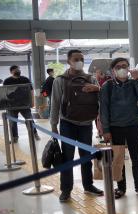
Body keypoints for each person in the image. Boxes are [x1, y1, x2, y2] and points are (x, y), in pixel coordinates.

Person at [50, 49, 104, 202]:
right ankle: (66, 189)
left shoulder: (91, 79)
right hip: (68, 124)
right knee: (67, 158)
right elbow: (55, 103)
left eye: (81, 58)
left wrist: (101, 125)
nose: (79, 61)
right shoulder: (60, 80)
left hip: (86, 123)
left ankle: (88, 185)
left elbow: (100, 100)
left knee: (85, 156)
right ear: (68, 61)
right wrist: (54, 125)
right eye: (76, 59)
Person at [100, 58, 138, 199]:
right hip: (115, 128)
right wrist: (106, 130)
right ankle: (121, 188)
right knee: (118, 159)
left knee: (136, 158)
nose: (122, 69)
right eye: (118, 66)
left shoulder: (134, 83)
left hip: (133, 125)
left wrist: (137, 79)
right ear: (113, 70)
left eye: (125, 66)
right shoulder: (107, 86)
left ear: (129, 68)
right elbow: (103, 109)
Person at [3, 65, 40, 143]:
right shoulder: (7, 81)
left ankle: (35, 134)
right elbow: (5, 93)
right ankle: (14, 138)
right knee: (13, 122)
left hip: (25, 104)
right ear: (11, 72)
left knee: (29, 120)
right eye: (15, 69)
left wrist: (32, 102)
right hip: (12, 105)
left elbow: (31, 91)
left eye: (18, 69)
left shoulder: (25, 79)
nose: (17, 70)